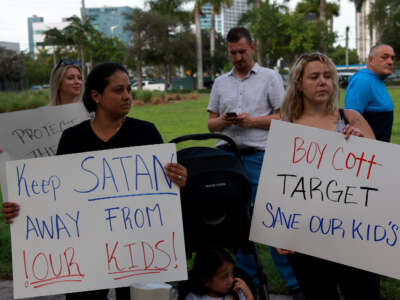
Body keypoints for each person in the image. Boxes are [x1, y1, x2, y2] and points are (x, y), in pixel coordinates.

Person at [2, 62, 188, 300]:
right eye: (118, 90)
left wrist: (178, 180)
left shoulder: (146, 133)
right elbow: (55, 196)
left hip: (137, 251)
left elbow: (164, 192)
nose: (127, 97)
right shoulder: (72, 138)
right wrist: (20, 211)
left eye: (129, 90)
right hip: (85, 253)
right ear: (96, 96)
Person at [207, 26, 302, 298]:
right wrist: (224, 121)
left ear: (253, 47)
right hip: (227, 157)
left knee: (272, 219)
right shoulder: (220, 82)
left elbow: (284, 117)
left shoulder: (270, 77)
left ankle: (294, 284)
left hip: (260, 155)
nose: (237, 57)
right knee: (238, 223)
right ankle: (243, 280)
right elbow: (210, 123)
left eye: (242, 51)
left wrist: (252, 121)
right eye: (232, 52)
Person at [279, 52, 380, 300]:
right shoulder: (287, 128)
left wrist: (362, 143)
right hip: (307, 237)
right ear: (299, 84)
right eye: (314, 77)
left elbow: (380, 173)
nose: (322, 82)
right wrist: (280, 231)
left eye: (327, 76)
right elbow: (281, 184)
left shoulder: (351, 118)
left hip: (354, 232)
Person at [2, 58, 84, 222]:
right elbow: (21, 155)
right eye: (71, 78)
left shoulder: (92, 114)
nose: (77, 82)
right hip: (49, 192)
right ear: (58, 83)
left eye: (79, 77)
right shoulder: (39, 117)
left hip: (82, 188)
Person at [345, 44, 396, 142]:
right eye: (384, 57)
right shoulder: (363, 80)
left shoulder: (376, 79)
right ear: (371, 60)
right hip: (369, 153)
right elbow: (351, 119)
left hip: (380, 151)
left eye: (392, 58)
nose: (390, 62)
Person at [184, 247, 254, 300]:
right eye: (224, 277)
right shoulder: (194, 297)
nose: (231, 280)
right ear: (205, 280)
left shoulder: (237, 293)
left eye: (232, 274)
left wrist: (248, 295)